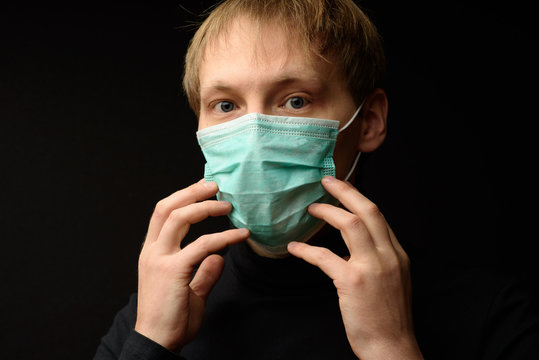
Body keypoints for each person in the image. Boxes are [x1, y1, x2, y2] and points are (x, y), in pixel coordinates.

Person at [94, 1, 539, 359]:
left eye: (294, 100)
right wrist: (149, 342)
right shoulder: (152, 313)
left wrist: (390, 348)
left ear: (368, 121)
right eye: (226, 105)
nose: (254, 137)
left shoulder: (490, 316)